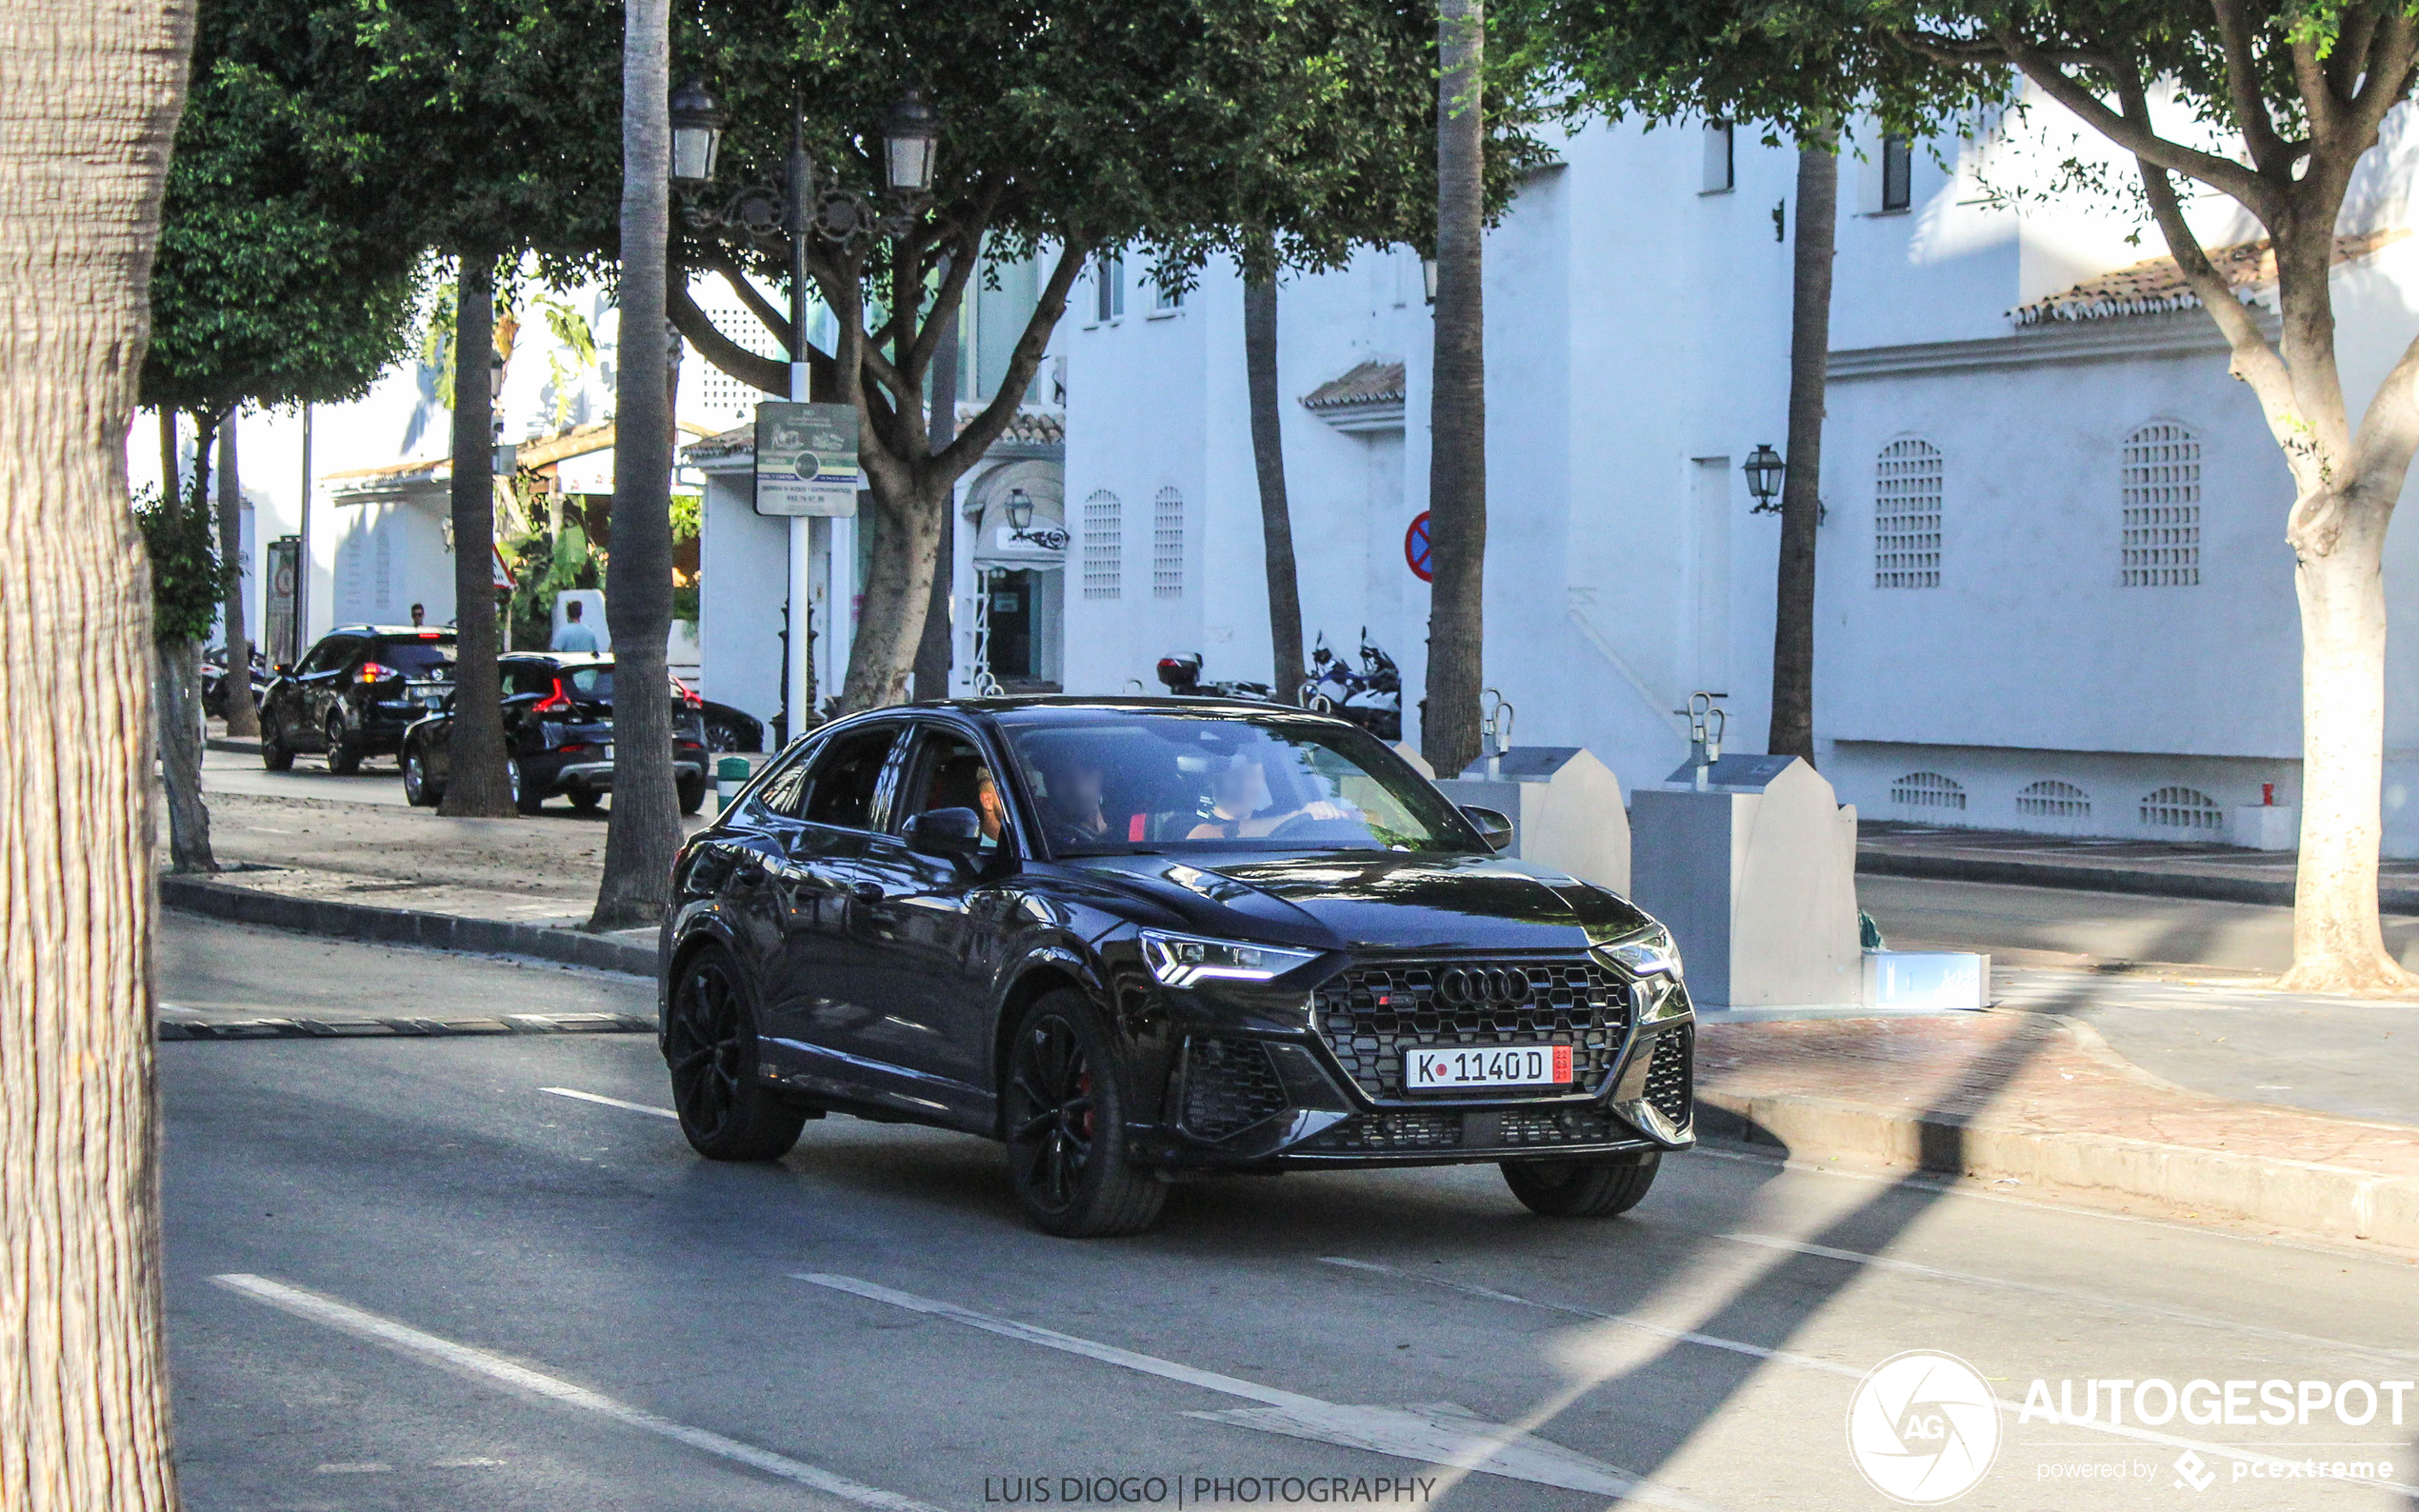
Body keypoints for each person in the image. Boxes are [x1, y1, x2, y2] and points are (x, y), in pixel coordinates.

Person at [1186, 751, 1349, 840]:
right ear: (1215, 778)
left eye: (1254, 776)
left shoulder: (1272, 816)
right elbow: (1205, 835)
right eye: (1238, 775)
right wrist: (1298, 816)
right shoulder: (1182, 822)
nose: (1247, 784)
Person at [1034, 749, 1114, 847]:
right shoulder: (1040, 835)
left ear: (1103, 778)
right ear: (1048, 783)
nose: (1078, 788)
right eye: (1063, 776)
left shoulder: (1126, 826)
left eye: (1087, 771)